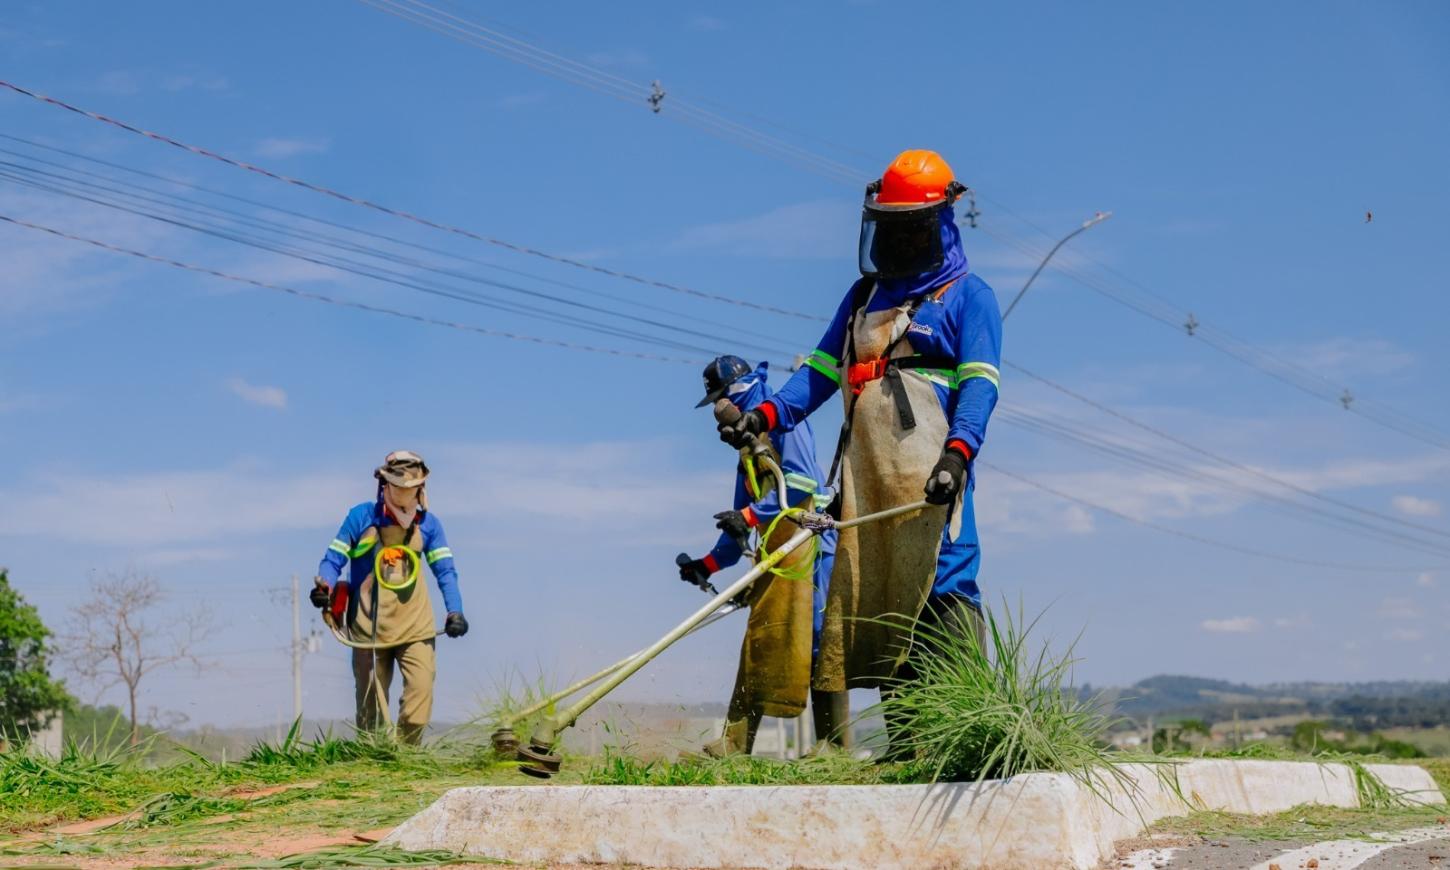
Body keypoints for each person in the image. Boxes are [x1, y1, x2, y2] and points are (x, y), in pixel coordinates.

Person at [717, 150, 1002, 739]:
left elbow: (980, 384)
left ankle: (972, 735)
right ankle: (909, 745)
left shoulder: (969, 296)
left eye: (911, 229)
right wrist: (763, 417)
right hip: (867, 478)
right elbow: (821, 372)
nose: (898, 241)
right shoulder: (861, 298)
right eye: (889, 228)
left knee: (945, 584)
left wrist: (957, 454)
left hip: (933, 475)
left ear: (940, 225)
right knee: (883, 598)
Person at [678, 356, 847, 756]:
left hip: (812, 548)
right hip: (777, 554)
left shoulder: (784, 420)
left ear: (739, 391)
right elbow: (741, 520)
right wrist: (707, 564)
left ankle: (833, 746)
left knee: (819, 641)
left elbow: (802, 481)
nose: (718, 412)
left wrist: (751, 516)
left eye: (720, 400)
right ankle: (735, 744)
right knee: (760, 638)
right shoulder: (746, 452)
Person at [311, 450, 468, 743]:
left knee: (419, 701)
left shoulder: (429, 525)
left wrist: (455, 611)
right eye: (398, 486)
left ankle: (407, 757)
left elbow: (445, 571)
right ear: (385, 484)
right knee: (370, 713)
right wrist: (324, 588)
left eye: (411, 487)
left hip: (416, 627)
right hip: (368, 627)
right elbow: (332, 561)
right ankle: (373, 759)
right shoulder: (361, 517)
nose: (404, 492)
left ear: (420, 488)